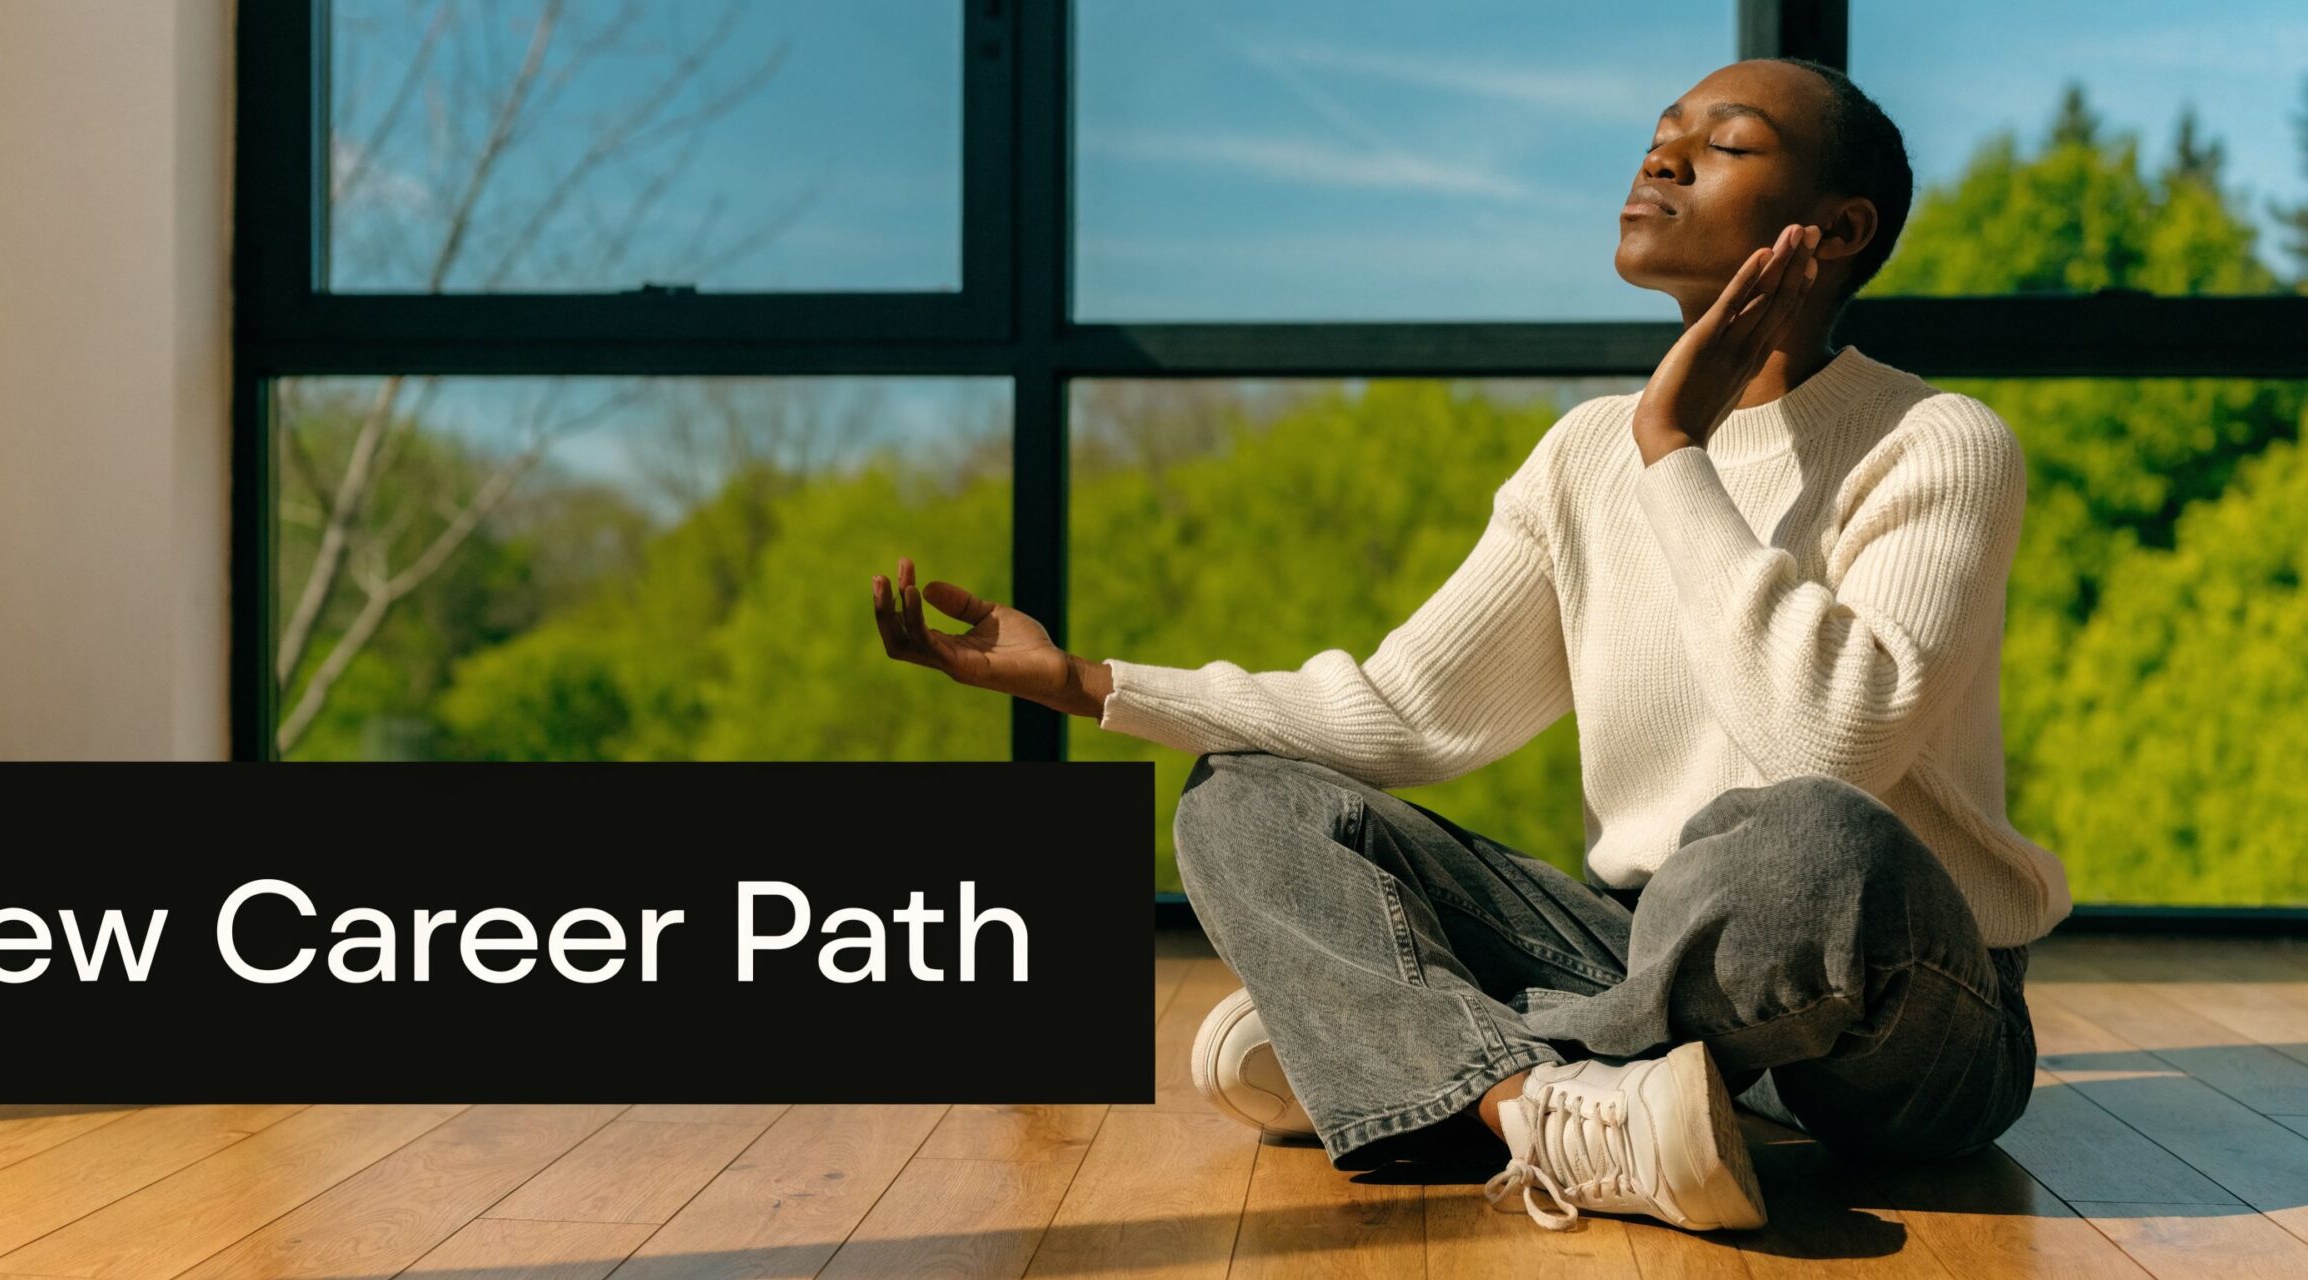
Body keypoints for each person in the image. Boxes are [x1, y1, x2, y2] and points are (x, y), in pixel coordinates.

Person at [866, 56, 2070, 1235]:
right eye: (1663, 132)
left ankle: (1404, 1050)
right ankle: (1532, 1103)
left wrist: (1673, 449)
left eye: (1726, 144)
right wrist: (1084, 681)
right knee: (1243, 803)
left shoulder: (1934, 440)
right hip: (1645, 947)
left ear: (1837, 226)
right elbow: (1401, 712)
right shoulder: (1581, 456)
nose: (1663, 156)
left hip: (1904, 1000)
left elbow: (1833, 739)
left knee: (1809, 836)